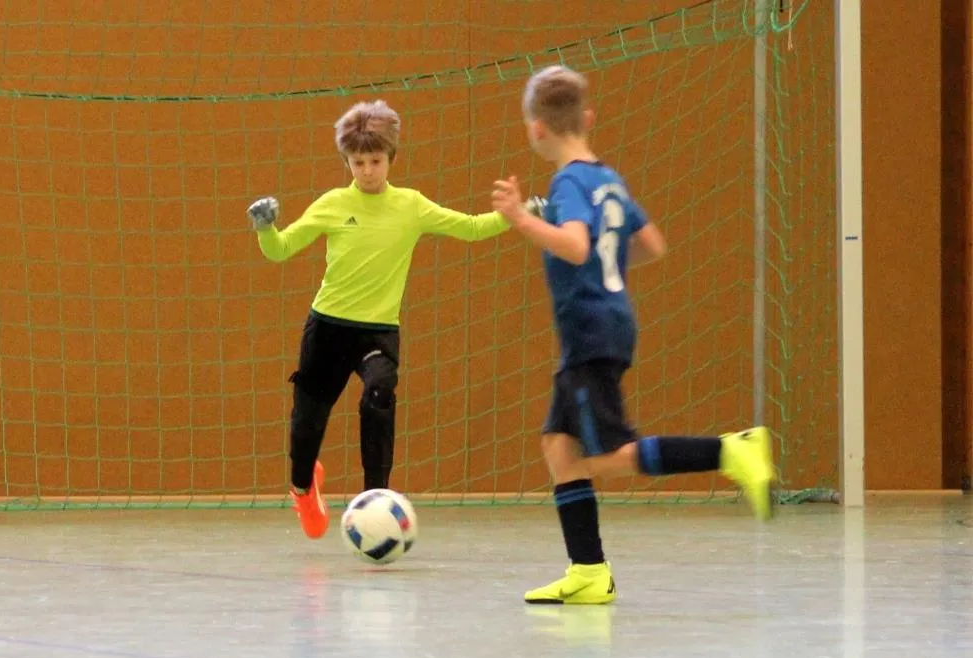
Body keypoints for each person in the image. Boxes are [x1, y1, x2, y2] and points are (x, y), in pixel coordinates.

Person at [490, 66, 777, 605]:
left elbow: (576, 245)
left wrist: (520, 220)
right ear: (588, 118)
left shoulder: (568, 182)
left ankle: (730, 451)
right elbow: (651, 244)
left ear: (536, 129)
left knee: (606, 455)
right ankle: (588, 571)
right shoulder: (608, 180)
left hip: (589, 331)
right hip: (610, 322)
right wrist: (607, 271)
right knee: (558, 445)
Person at [247, 99, 529, 540]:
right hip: (327, 329)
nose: (367, 171)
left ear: (391, 158)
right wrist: (265, 228)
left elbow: (472, 227)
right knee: (307, 422)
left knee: (379, 393)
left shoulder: (410, 206)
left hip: (377, 332)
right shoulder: (333, 204)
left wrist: (512, 215)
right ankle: (303, 487)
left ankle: (375, 499)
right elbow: (280, 249)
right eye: (358, 162)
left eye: (375, 161)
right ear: (347, 162)